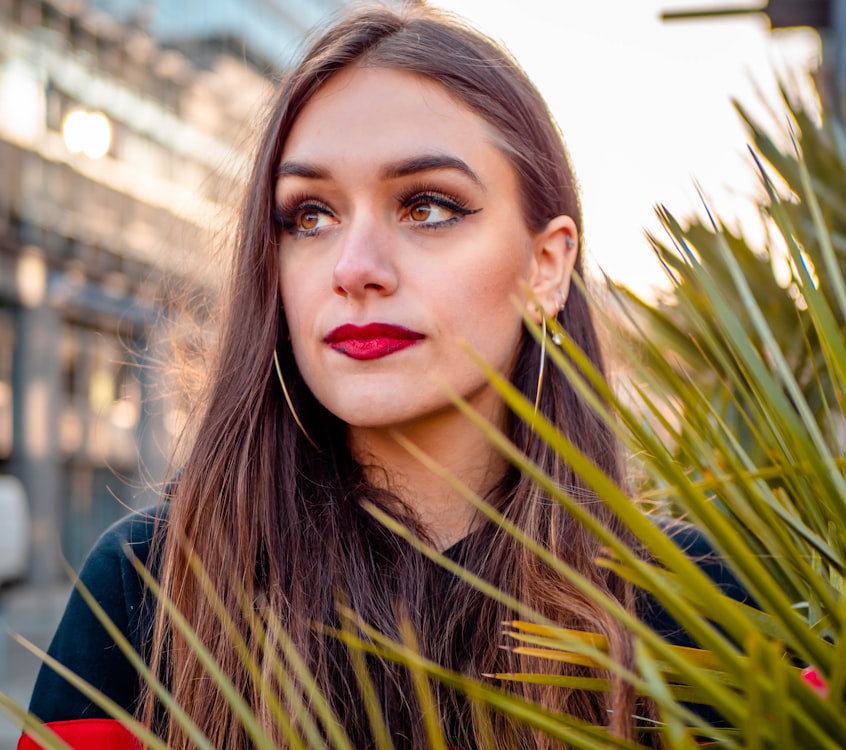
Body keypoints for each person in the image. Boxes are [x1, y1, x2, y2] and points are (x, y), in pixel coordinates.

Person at [18, 4, 756, 749]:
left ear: (546, 266)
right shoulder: (148, 587)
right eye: (309, 216)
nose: (354, 268)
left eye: (427, 206)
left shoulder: (696, 604)